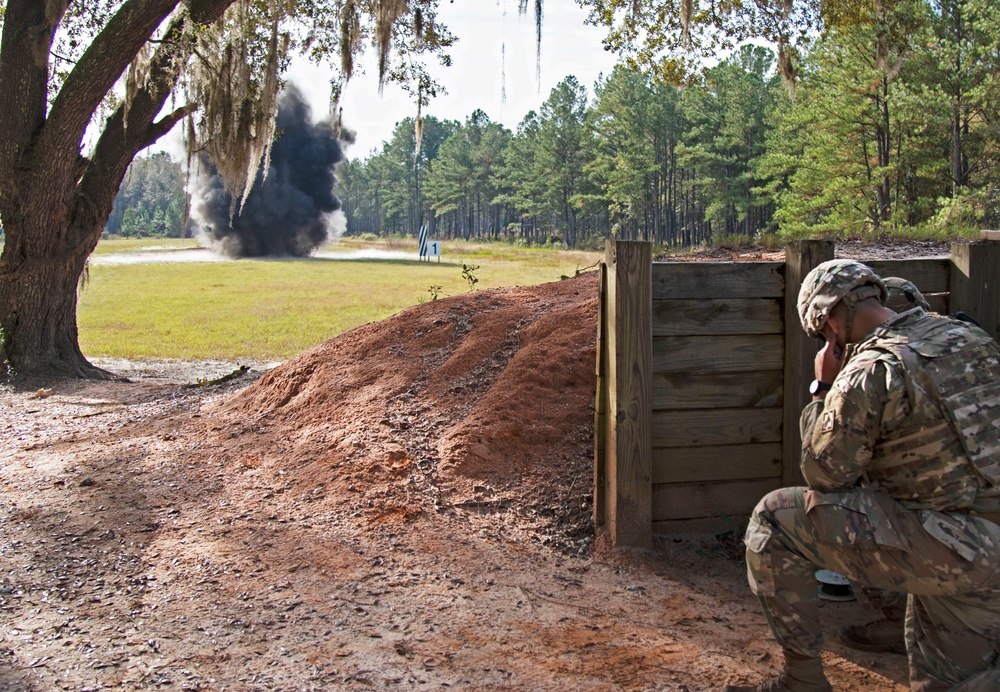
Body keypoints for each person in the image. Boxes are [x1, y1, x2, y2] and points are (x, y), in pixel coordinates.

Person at [725, 259, 1000, 692]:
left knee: (774, 521)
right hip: (981, 543)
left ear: (829, 323)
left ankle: (802, 682)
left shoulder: (869, 369)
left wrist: (822, 388)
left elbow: (825, 475)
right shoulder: (969, 336)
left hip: (955, 549)